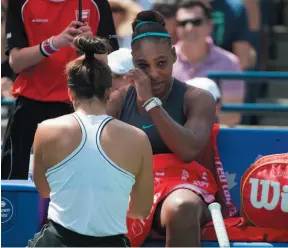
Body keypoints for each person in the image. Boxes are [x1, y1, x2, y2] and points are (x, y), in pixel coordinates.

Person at [29, 36, 154, 247]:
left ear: (70, 93)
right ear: (108, 93)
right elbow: (141, 209)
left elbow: (44, 190)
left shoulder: (45, 130)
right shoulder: (138, 138)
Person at [107, 10, 218, 247]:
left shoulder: (197, 98)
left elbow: (188, 151)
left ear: (174, 55)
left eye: (161, 63)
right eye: (143, 66)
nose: (154, 74)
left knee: (182, 207)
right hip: (131, 190)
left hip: (184, 188)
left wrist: (150, 103)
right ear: (132, 64)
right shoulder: (117, 100)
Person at [1, 0, 119, 180]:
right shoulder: (20, 2)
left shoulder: (96, 3)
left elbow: (111, 63)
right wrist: (54, 43)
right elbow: (16, 62)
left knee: (77, 182)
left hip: (80, 106)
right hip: (29, 104)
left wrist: (92, 46)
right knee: (13, 184)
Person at [173, 0, 245, 126]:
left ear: (210, 25)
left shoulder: (229, 63)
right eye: (183, 23)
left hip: (218, 140)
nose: (189, 28)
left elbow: (233, 116)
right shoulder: (162, 61)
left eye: (196, 22)